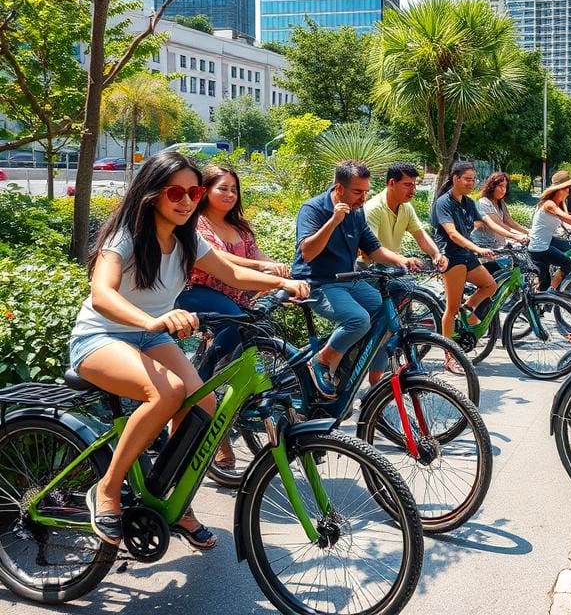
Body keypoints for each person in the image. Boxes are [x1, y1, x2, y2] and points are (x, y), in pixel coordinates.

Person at [70, 151, 309, 548]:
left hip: (151, 337)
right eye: (175, 192)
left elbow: (231, 272)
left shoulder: (187, 238)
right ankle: (107, 489)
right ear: (151, 194)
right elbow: (101, 295)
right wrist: (150, 320)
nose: (185, 201)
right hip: (101, 338)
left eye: (193, 192)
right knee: (167, 392)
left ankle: (173, 501)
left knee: (204, 405)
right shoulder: (125, 236)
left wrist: (281, 284)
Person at [293, 160, 419, 398]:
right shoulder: (313, 209)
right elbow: (307, 252)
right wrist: (333, 222)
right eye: (357, 191)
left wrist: (401, 260)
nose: (363, 197)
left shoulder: (357, 211)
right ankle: (321, 360)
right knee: (358, 319)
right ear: (339, 189)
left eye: (366, 191)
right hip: (318, 283)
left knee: (387, 316)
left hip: (349, 279)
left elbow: (374, 250)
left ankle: (373, 381)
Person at [178, 164, 290, 382]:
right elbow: (218, 257)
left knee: (257, 327)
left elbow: (256, 254)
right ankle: (202, 381)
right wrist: (261, 268)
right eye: (223, 188)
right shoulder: (196, 223)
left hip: (236, 293)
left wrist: (277, 268)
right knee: (237, 323)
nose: (230, 194)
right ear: (205, 190)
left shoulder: (240, 227)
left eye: (234, 189)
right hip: (199, 290)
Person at [430, 161, 498, 347]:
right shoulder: (443, 203)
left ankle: (466, 308)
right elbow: (452, 234)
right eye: (467, 179)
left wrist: (515, 234)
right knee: (450, 310)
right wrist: (477, 249)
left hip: (466, 254)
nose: (471, 183)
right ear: (455, 178)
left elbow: (485, 221)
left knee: (490, 285)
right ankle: (449, 354)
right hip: (451, 256)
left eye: (473, 179)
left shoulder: (468, 202)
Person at [364, 161, 448, 270]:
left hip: (394, 268)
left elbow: (420, 235)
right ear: (392, 183)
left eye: (414, 185)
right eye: (408, 185)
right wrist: (402, 260)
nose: (413, 190)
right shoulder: (373, 208)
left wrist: (436, 254)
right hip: (370, 270)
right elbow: (370, 250)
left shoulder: (406, 207)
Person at [473, 172, 531, 256]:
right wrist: (517, 236)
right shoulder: (484, 203)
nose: (504, 190)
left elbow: (509, 222)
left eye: (505, 187)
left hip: (498, 245)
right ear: (492, 187)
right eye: (500, 186)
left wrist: (527, 232)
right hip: (485, 247)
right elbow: (498, 224)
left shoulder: (501, 202)